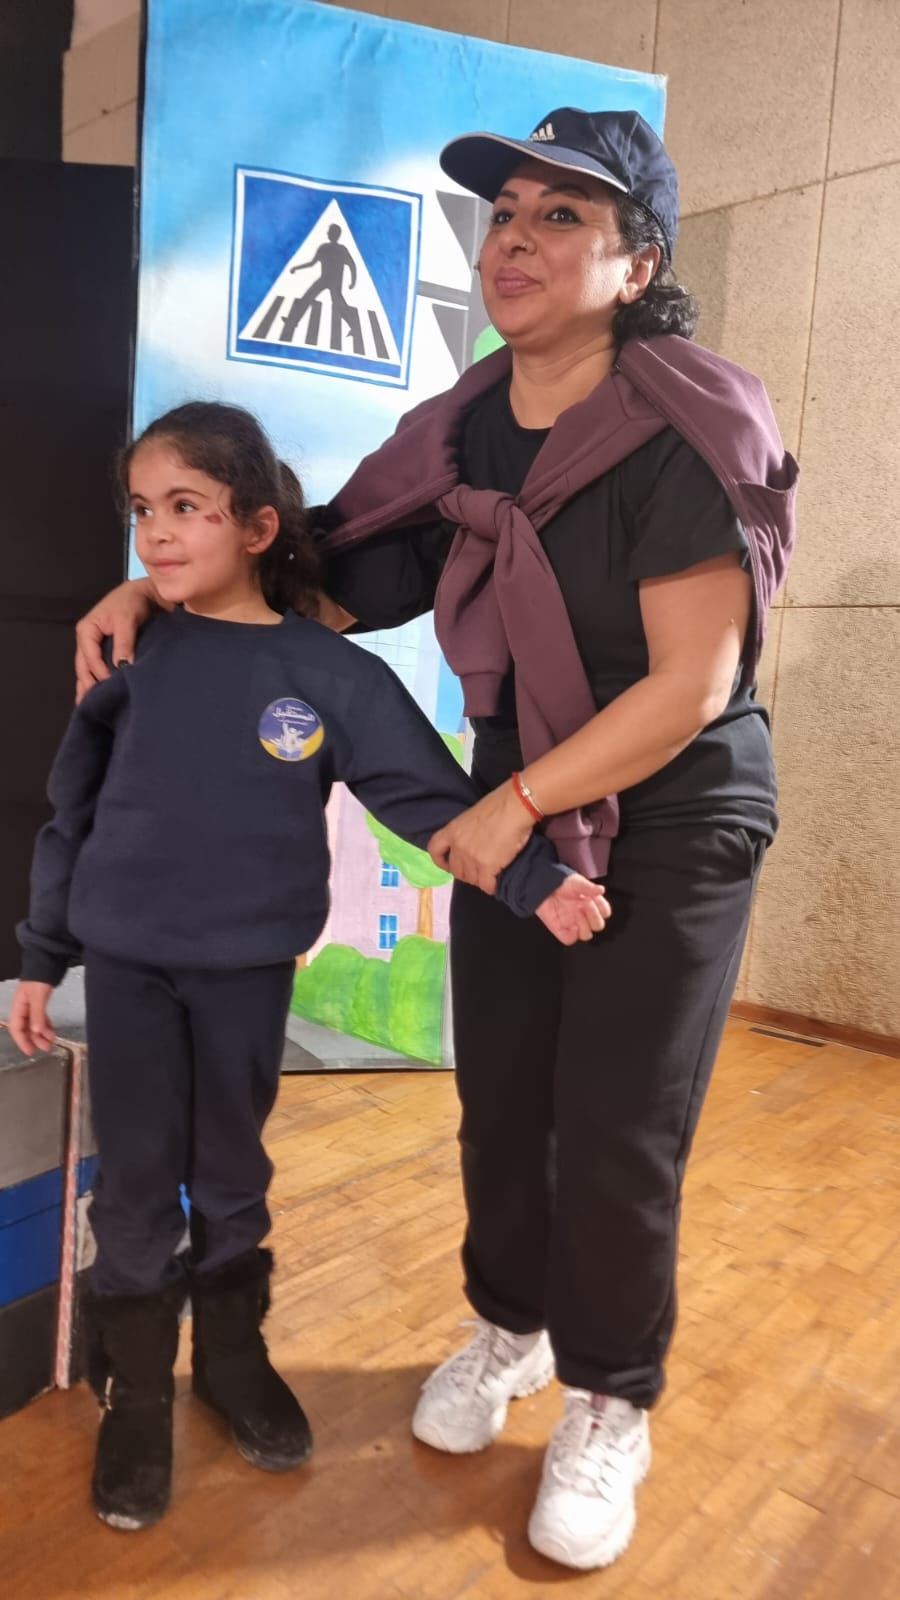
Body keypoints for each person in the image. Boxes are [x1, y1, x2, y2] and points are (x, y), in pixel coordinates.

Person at [74, 108, 797, 1571]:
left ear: (639, 262)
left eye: (561, 217)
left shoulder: (688, 426)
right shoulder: (456, 438)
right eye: (505, 212)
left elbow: (690, 685)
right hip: (518, 786)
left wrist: (514, 804)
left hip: (670, 799)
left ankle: (611, 1399)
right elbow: (308, 584)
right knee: (503, 1097)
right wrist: (158, 586)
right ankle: (513, 1328)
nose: (514, 239)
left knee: (617, 1122)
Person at [12, 401, 608, 1535]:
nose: (156, 532)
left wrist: (535, 882)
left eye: (186, 507)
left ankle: (232, 1361)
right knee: (134, 1183)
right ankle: (137, 1395)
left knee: (231, 1173)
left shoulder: (327, 675)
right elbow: (69, 815)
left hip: (245, 976)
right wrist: (42, 956)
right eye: (142, 510)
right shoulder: (129, 655)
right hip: (128, 973)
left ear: (258, 526)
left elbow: (430, 801)